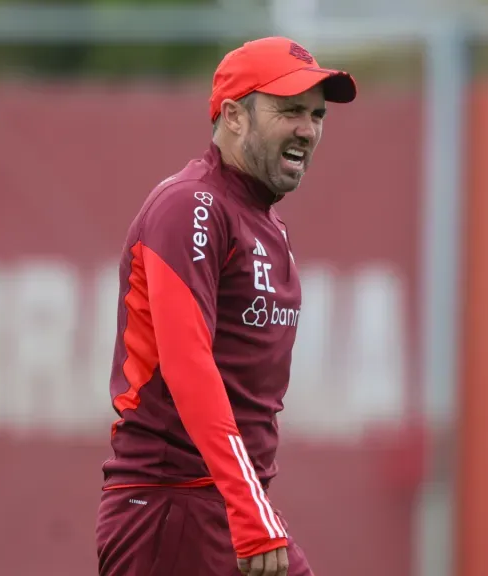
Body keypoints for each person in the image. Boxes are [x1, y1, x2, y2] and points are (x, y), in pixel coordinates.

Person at [94, 36, 357, 576]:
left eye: (316, 115)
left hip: (224, 505)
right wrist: (248, 509)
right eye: (288, 111)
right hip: (172, 508)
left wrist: (247, 503)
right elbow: (189, 366)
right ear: (234, 115)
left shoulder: (263, 220)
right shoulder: (192, 204)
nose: (307, 130)